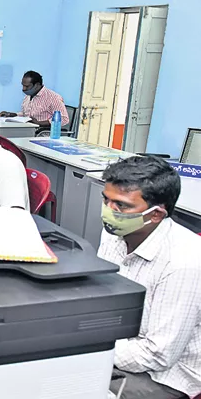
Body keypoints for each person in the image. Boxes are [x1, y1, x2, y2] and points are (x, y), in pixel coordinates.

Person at [99, 156, 201, 399]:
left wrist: (90, 347)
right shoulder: (116, 235)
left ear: (155, 215)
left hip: (168, 375)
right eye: (106, 200)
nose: (109, 211)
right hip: (122, 344)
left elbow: (159, 355)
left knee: (71, 388)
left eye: (121, 206)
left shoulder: (183, 263)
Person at [0, 70, 69, 128]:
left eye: (27, 86)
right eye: (22, 85)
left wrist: (39, 123)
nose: (23, 89)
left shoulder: (53, 97)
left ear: (37, 85)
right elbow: (26, 115)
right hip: (27, 130)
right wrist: (11, 114)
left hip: (42, 134)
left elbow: (64, 119)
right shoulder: (28, 96)